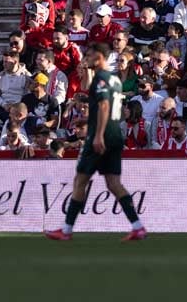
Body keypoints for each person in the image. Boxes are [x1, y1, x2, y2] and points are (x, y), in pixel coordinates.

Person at [45, 43, 147, 242]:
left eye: (90, 56)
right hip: (115, 134)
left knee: (80, 180)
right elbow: (92, 92)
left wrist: (98, 134)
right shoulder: (114, 79)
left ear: (99, 57)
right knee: (113, 183)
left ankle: (66, 229)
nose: (86, 59)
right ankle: (138, 226)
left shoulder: (101, 78)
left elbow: (104, 105)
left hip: (101, 135)